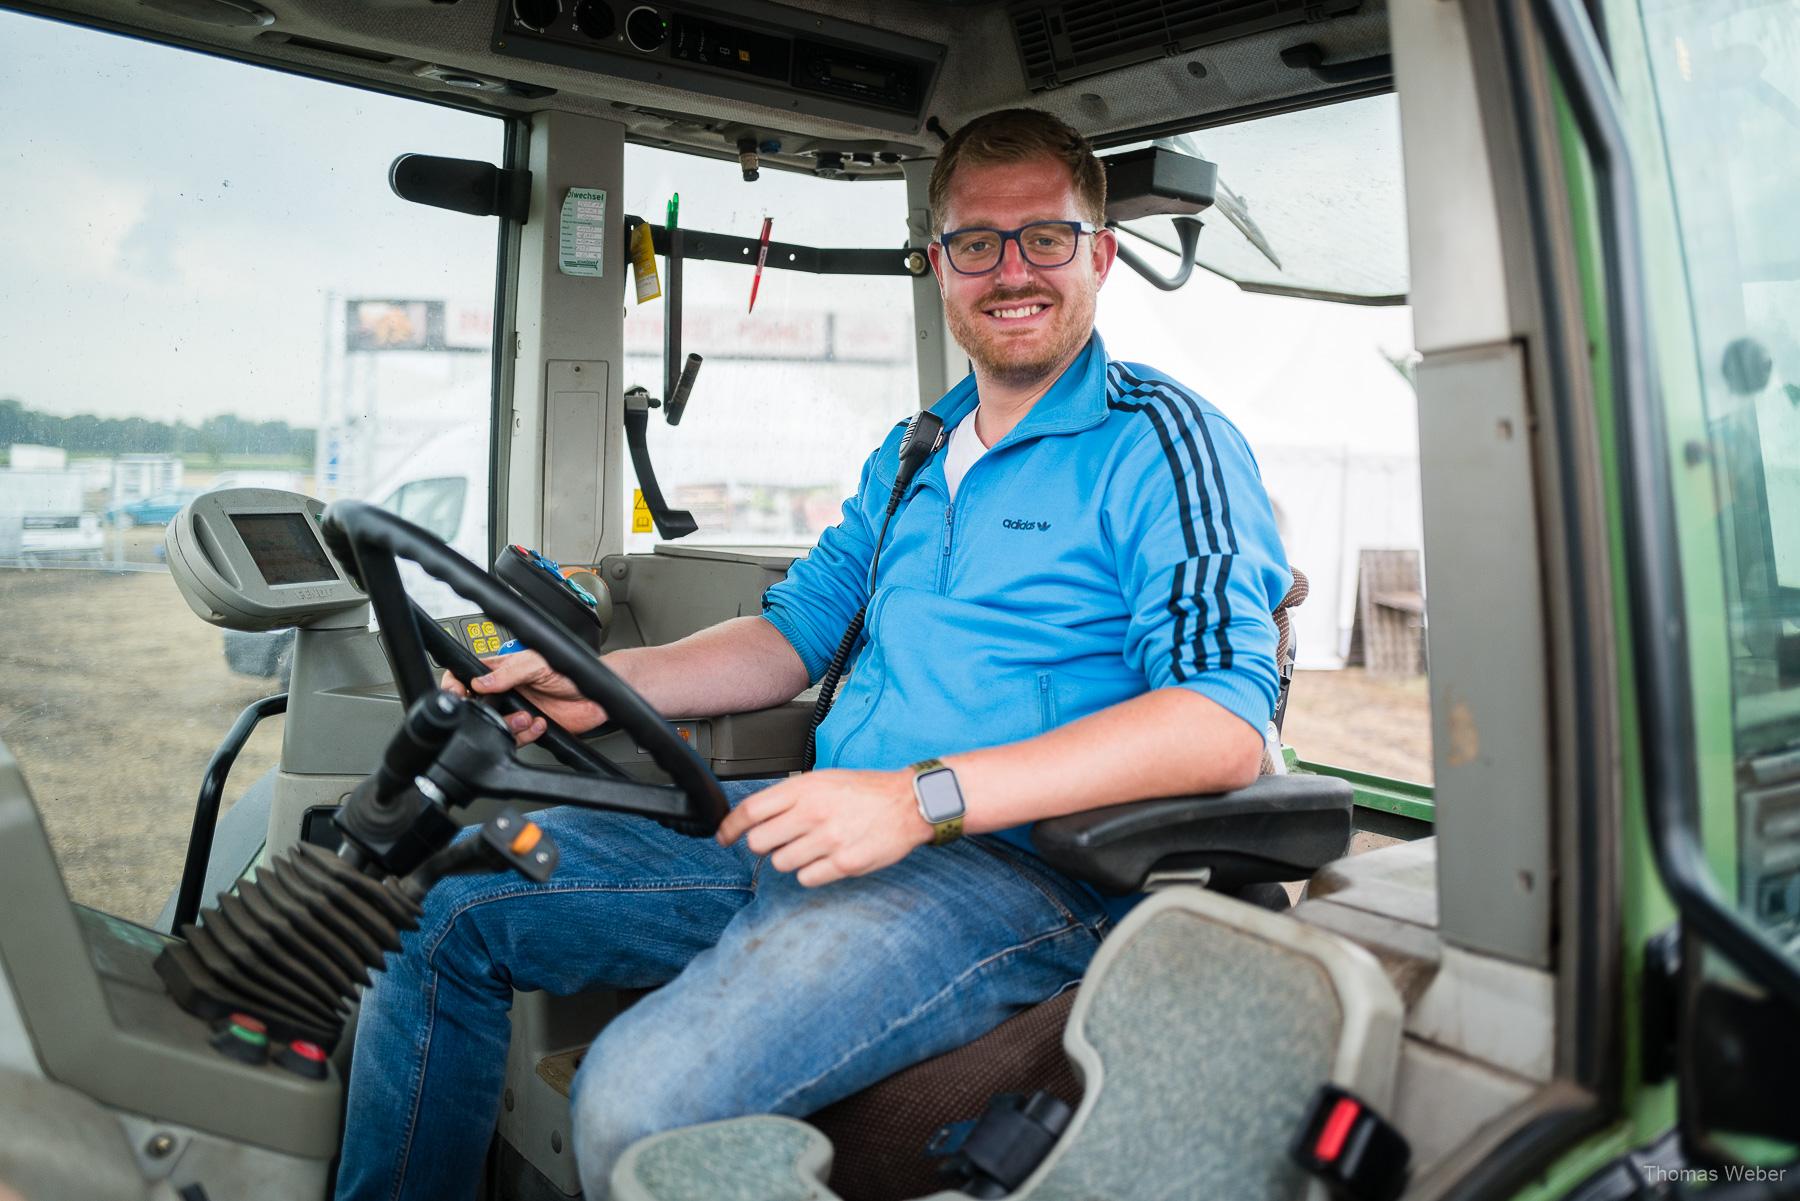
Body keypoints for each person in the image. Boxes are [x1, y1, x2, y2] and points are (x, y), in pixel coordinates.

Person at [334, 106, 1291, 1201]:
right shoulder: (914, 449)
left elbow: (1221, 723)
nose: (1011, 269)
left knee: (639, 1105)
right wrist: (604, 684)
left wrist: (918, 798)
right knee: (434, 905)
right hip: (819, 826)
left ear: (1102, 255)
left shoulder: (1163, 441)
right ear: (941, 266)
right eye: (977, 242)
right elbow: (789, 636)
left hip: (1012, 873)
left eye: (1046, 236)